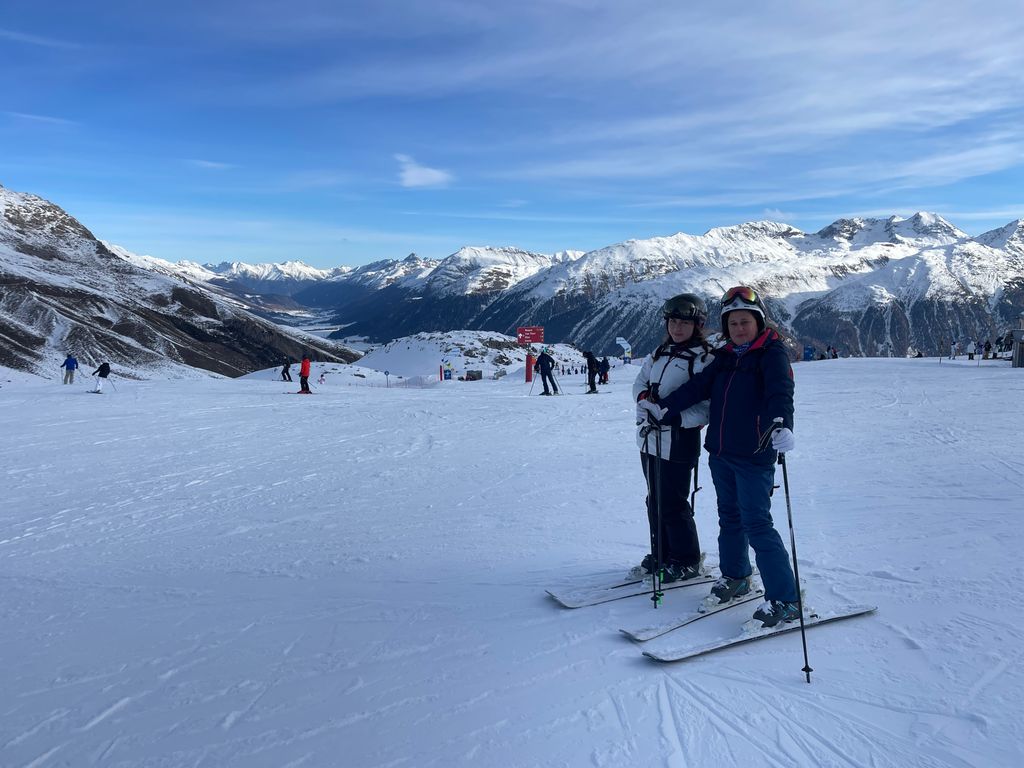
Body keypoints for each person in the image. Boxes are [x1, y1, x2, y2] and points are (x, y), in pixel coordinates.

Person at [638, 286, 800, 628]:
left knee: (757, 524)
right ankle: (737, 577)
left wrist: (782, 425)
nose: (739, 328)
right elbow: (695, 390)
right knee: (729, 518)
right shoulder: (725, 355)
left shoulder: (771, 354)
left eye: (745, 321)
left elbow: (780, 394)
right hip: (721, 452)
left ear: (757, 322)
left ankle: (786, 599)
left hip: (754, 453)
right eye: (733, 323)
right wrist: (663, 409)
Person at [632, 293, 712, 583]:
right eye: (673, 322)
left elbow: (707, 408)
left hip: (679, 440)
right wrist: (643, 400)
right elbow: (640, 382)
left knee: (673, 503)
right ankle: (663, 554)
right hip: (649, 438)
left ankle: (687, 559)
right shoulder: (659, 352)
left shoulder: (703, 359)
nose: (677, 328)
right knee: (654, 499)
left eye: (684, 323)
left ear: (697, 325)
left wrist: (676, 418)